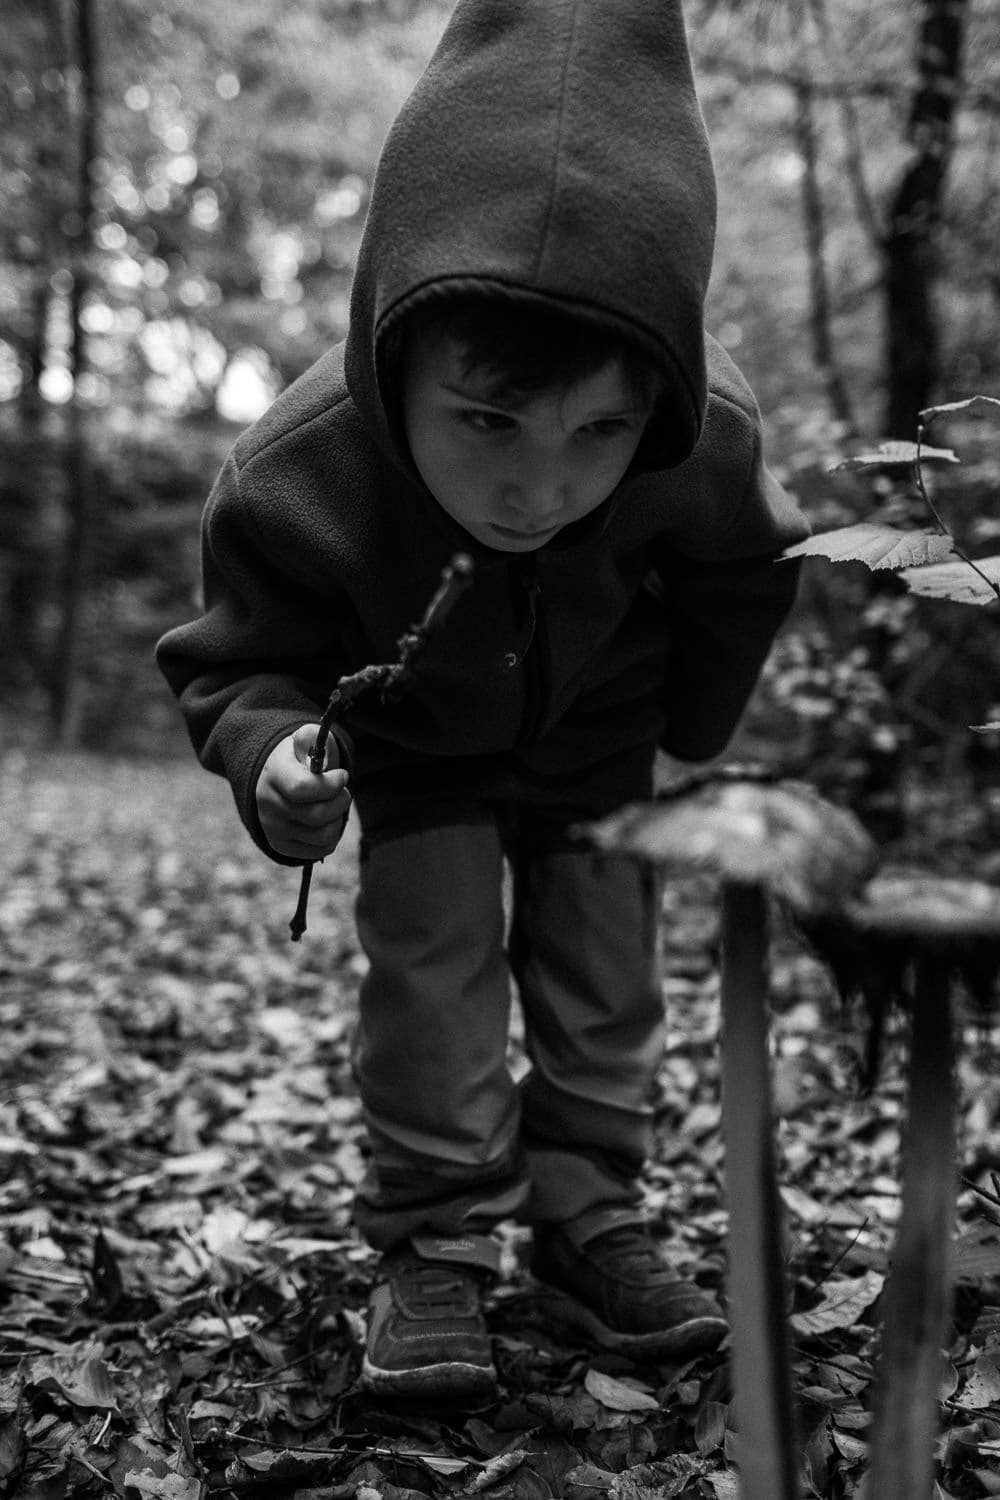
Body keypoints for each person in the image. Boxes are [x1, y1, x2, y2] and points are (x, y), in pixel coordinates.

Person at [157, 0, 810, 1400]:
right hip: (418, 756)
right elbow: (230, 658)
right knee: (435, 979)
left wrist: (692, 730)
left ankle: (587, 1220)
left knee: (601, 978)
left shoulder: (710, 443)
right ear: (400, 355)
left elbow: (752, 572)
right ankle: (438, 1245)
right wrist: (274, 758)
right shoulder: (302, 469)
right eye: (490, 423)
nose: (542, 486)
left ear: (660, 400)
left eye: (600, 434)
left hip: (600, 750)